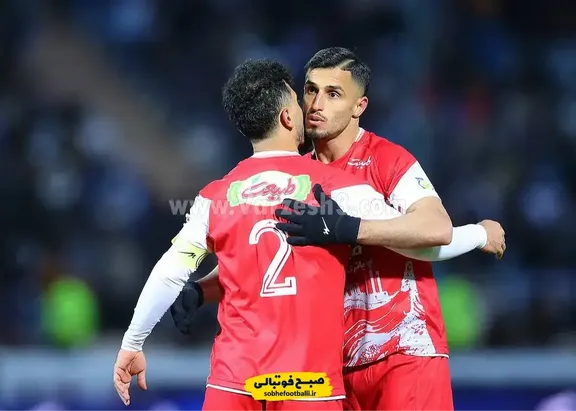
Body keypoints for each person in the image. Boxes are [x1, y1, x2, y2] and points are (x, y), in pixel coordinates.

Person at [116, 59, 482, 411]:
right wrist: (479, 235)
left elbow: (170, 272)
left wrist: (133, 343)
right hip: (306, 385)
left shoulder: (215, 197)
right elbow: (426, 243)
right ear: (287, 118)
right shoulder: (335, 187)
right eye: (298, 99)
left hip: (235, 382)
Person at [274, 47, 506, 411]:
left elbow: (436, 227)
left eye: (333, 94)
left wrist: (347, 228)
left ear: (359, 106)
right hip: (332, 368)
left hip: (404, 353)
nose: (317, 104)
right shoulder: (294, 176)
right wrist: (199, 289)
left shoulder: (386, 159)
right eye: (311, 90)